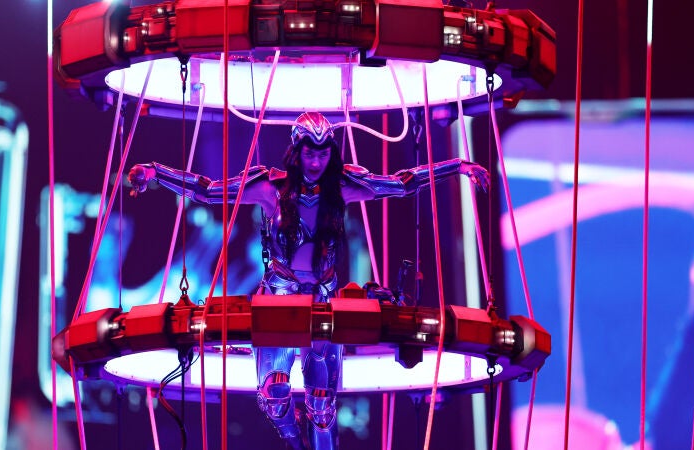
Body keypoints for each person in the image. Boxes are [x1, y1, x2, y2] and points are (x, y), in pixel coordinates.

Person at [128, 111, 488, 450]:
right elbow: (208, 190)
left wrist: (458, 166)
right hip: (279, 295)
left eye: (322, 154)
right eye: (309, 154)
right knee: (273, 396)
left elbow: (400, 184)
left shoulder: (343, 185)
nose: (316, 162)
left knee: (322, 404)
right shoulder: (268, 187)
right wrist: (156, 172)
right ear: (296, 152)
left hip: (323, 297)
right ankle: (294, 441)